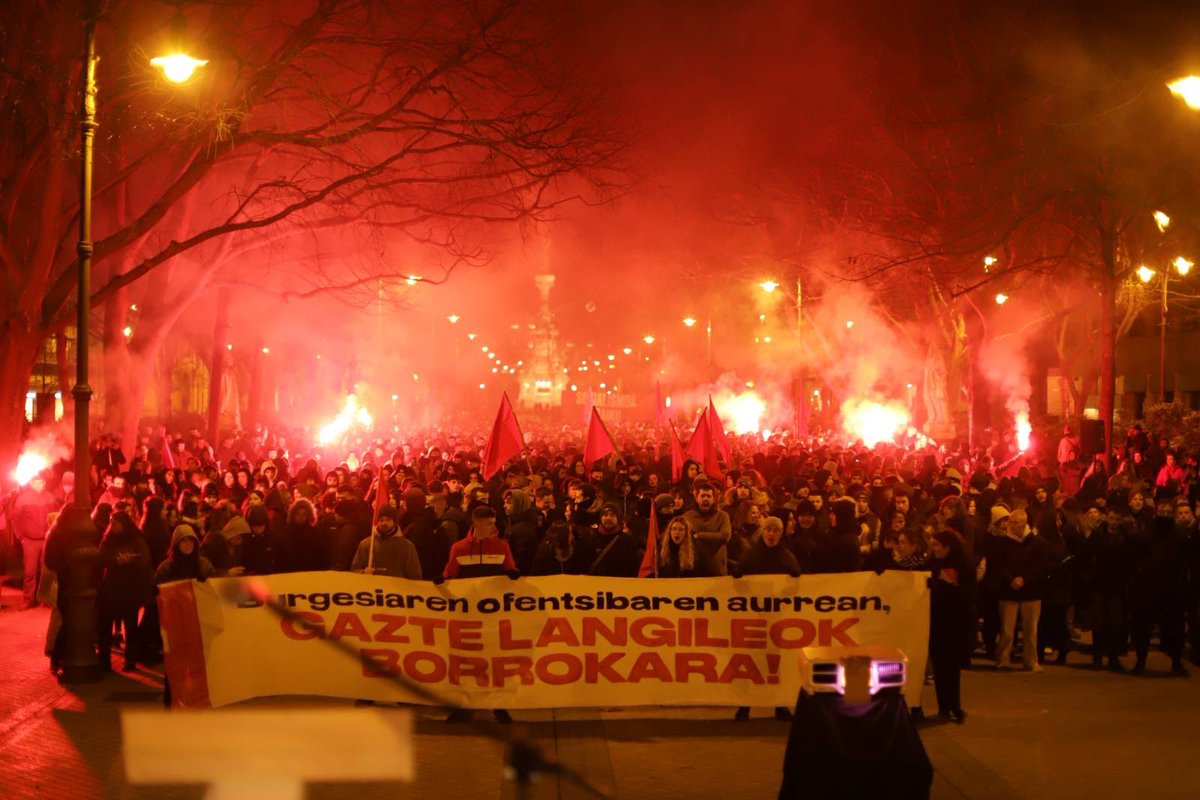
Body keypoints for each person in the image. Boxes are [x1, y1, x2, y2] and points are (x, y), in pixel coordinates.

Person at [436, 506, 517, 724]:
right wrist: (441, 580)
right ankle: (464, 706)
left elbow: (509, 568)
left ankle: (498, 706)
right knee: (466, 662)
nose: (494, 527)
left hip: (493, 615)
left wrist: (511, 573)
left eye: (494, 522)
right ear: (477, 524)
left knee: (494, 661)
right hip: (468, 615)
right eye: (489, 523)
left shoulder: (501, 546)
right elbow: (451, 572)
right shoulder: (459, 548)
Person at [732, 515, 799, 722]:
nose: (771, 534)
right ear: (763, 532)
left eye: (775, 531)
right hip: (755, 617)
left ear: (780, 533)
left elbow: (797, 582)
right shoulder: (751, 556)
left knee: (775, 663)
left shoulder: (787, 557)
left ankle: (779, 705)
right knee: (751, 662)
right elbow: (737, 579)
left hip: (777, 617)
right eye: (768, 530)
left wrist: (783, 594)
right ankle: (745, 705)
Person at [993, 509, 1050, 672]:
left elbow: (1041, 567)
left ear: (1024, 523)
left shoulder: (1037, 543)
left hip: (1031, 592)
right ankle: (1003, 659)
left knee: (1030, 629)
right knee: (1006, 629)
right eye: (1010, 522)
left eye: (1015, 522)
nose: (1011, 525)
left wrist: (1025, 579)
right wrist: (1010, 579)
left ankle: (1031, 660)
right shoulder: (1003, 542)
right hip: (1009, 590)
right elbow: (998, 565)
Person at [96, 511, 153, 672]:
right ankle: (104, 660)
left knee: (130, 625)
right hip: (111, 586)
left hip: (129, 587)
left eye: (116, 523)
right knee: (105, 624)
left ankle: (130, 660)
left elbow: (145, 559)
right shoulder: (108, 539)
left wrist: (130, 560)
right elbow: (101, 558)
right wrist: (116, 560)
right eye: (112, 523)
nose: (113, 526)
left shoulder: (135, 538)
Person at [929, 530, 973, 722]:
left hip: (956, 622)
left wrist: (947, 586)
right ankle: (943, 706)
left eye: (937, 545)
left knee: (953, 667)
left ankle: (955, 705)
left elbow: (969, 593)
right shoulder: (931, 565)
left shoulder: (964, 565)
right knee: (939, 666)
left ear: (948, 547)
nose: (934, 548)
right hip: (937, 621)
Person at [11, 475, 57, 609]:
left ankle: (46, 599)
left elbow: (56, 516)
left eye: (41, 483)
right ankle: (28, 600)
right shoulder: (23, 498)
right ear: (31, 484)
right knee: (29, 572)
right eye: (36, 483)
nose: (39, 485)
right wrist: (21, 537)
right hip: (30, 541)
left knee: (46, 571)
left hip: (47, 540)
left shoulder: (51, 497)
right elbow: (15, 519)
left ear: (44, 484)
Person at [351, 504, 422, 579]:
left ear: (394, 521)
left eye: (388, 519)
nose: (384, 523)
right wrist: (363, 573)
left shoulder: (407, 547)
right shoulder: (366, 544)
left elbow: (415, 576)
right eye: (381, 520)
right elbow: (354, 570)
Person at [682, 481, 733, 575]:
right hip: (694, 569)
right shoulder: (687, 516)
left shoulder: (722, 516)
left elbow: (725, 536)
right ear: (696, 498)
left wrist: (699, 536)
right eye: (702, 496)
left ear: (714, 499)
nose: (705, 499)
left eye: (709, 496)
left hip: (716, 571)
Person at [529, 520, 594, 575]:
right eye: (570, 533)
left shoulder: (574, 550)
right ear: (561, 536)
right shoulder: (544, 554)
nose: (572, 536)